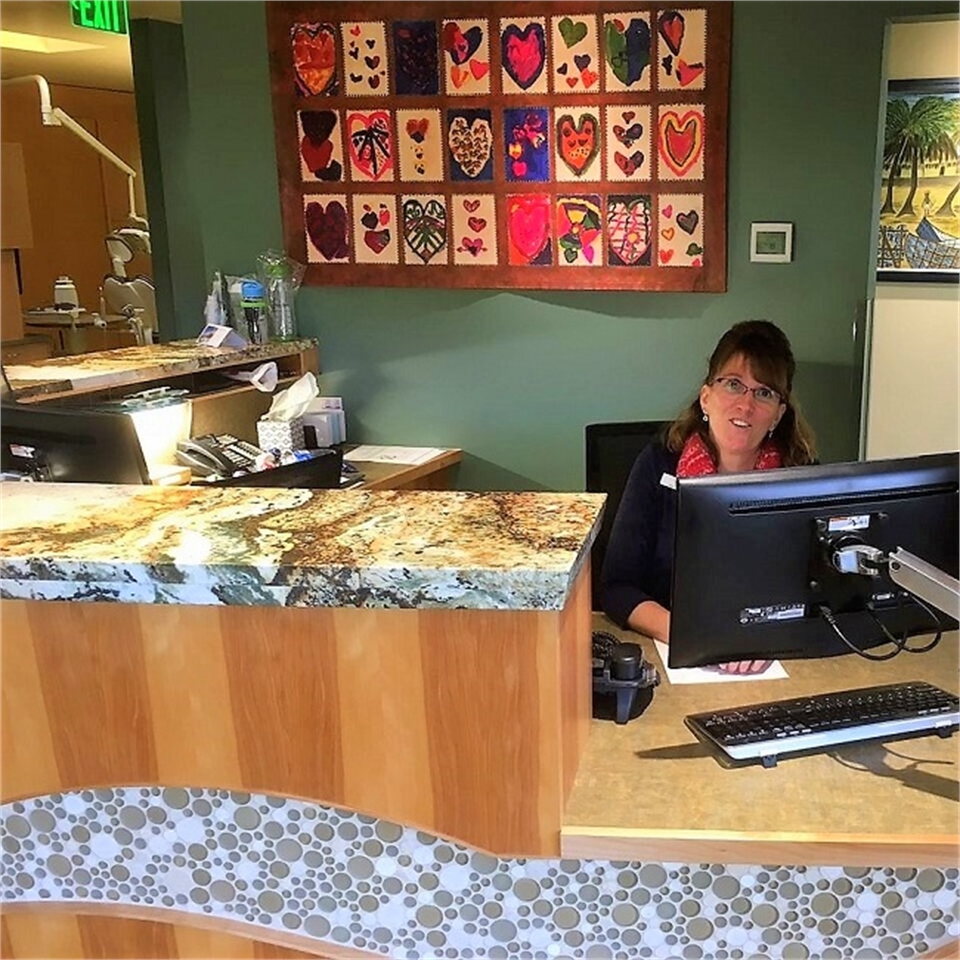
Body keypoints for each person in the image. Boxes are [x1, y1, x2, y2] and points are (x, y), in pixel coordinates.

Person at [600, 320, 817, 673]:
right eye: (734, 385)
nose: (745, 406)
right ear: (706, 397)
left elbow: (815, 595)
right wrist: (698, 636)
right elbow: (617, 588)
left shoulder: (803, 477)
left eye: (764, 392)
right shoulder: (658, 465)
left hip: (771, 662)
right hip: (672, 658)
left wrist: (762, 635)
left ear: (778, 414)